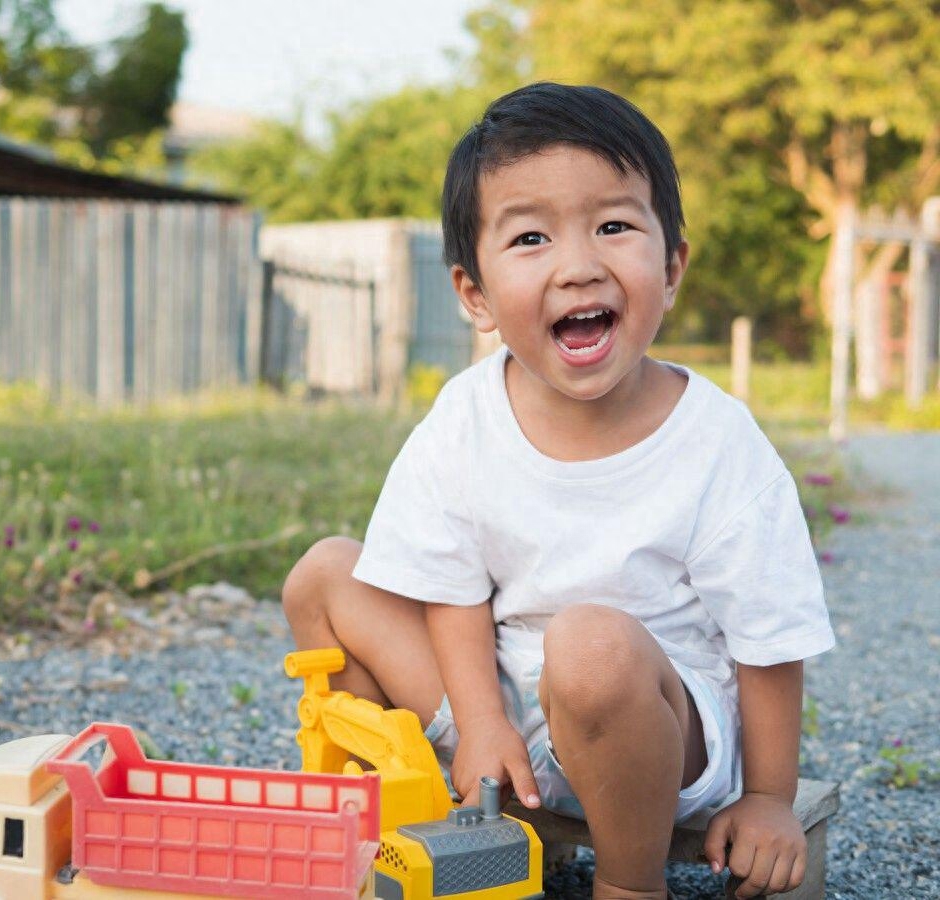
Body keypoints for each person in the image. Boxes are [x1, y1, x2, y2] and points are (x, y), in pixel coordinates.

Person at [281, 82, 836, 900]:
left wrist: (768, 798)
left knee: (591, 647)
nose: (579, 266)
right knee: (326, 575)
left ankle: (628, 881)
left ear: (672, 265)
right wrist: (479, 723)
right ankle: (415, 808)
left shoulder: (716, 442)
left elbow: (770, 634)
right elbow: (448, 585)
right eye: (532, 237)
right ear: (475, 294)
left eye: (614, 226)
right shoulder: (465, 416)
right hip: (505, 711)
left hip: (656, 725)